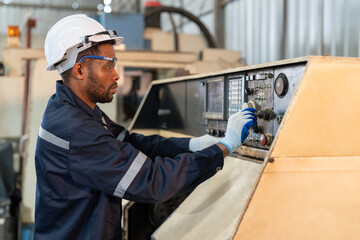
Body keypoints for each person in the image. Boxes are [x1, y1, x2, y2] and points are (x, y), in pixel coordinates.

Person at [34, 14, 257, 240]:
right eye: (107, 66)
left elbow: (132, 144)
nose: (116, 75)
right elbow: (152, 181)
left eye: (115, 65)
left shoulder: (70, 109)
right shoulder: (77, 128)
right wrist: (223, 148)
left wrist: (192, 144)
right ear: (79, 70)